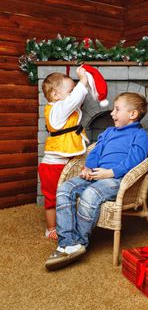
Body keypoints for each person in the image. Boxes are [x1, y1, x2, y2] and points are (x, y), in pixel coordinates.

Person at [45, 92, 148, 270]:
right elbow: (95, 151)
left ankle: (79, 243)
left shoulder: (139, 136)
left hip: (117, 180)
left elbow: (135, 160)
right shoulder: (109, 132)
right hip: (95, 174)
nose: (112, 113)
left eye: (117, 109)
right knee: (65, 188)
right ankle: (68, 242)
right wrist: (88, 168)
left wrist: (110, 172)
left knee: (90, 193)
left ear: (132, 114)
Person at [38, 66, 89, 241]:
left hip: (64, 164)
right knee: (52, 198)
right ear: (55, 95)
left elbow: (75, 101)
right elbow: (72, 101)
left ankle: (68, 223)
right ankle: (51, 228)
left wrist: (87, 85)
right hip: (52, 166)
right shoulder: (56, 110)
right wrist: (82, 82)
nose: (74, 93)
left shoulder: (65, 108)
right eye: (71, 90)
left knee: (66, 197)